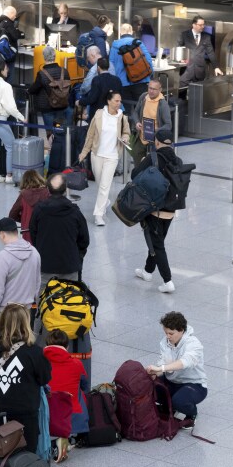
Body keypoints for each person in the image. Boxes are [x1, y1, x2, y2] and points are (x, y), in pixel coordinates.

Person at [0, 304, 51, 446]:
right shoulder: (34, 352)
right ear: (25, 324)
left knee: (2, 448)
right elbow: (45, 378)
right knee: (27, 454)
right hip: (26, 411)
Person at [134, 128, 186, 292]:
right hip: (171, 209)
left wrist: (143, 162)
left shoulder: (152, 158)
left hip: (154, 208)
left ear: (157, 142)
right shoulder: (178, 160)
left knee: (157, 245)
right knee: (158, 241)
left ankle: (167, 281)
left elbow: (134, 174)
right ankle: (148, 271)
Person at [79, 90, 130, 227]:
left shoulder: (122, 117)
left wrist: (125, 138)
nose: (119, 103)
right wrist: (84, 152)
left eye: (120, 101)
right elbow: (90, 134)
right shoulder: (99, 114)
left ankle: (98, 215)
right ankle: (105, 201)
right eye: (116, 101)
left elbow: (126, 133)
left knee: (104, 185)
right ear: (109, 101)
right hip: (97, 154)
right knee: (99, 183)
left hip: (112, 156)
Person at [146, 311, 205, 429]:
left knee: (179, 400)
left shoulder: (193, 344)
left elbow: (184, 363)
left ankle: (191, 414)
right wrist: (155, 372)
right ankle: (170, 407)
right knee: (148, 387)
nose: (167, 336)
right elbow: (163, 361)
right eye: (166, 332)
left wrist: (161, 368)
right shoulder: (165, 342)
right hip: (172, 381)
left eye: (171, 333)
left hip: (194, 385)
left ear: (182, 330)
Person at [29, 174, 89, 281]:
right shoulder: (74, 212)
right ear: (65, 189)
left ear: (48, 189)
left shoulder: (39, 210)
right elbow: (84, 240)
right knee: (70, 296)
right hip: (70, 266)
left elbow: (33, 234)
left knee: (45, 296)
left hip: (45, 266)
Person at [0, 218, 41, 325]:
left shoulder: (3, 257)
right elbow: (37, 283)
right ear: (16, 232)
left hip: (6, 312)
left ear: (2, 234)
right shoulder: (34, 252)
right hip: (27, 310)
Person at [42, 328, 85, 459]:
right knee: (80, 389)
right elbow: (85, 385)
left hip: (46, 409)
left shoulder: (40, 363)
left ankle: (50, 440)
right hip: (68, 411)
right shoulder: (77, 363)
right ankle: (71, 434)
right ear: (67, 346)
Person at [30, 46, 72, 130]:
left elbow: (34, 89)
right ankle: (61, 142)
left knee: (50, 133)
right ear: (55, 56)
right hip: (62, 105)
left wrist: (28, 90)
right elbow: (68, 87)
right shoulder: (64, 71)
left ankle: (51, 142)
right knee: (60, 130)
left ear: (44, 57)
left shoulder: (41, 74)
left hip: (47, 108)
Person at [108, 23, 150, 103]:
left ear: (120, 33)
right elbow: (148, 60)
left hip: (122, 83)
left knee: (126, 109)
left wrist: (113, 83)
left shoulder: (114, 46)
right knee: (141, 108)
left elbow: (111, 66)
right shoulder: (138, 43)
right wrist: (148, 77)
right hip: (140, 81)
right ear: (131, 32)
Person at [7, 170, 49, 243]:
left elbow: (12, 215)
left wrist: (23, 219)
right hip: (45, 231)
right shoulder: (47, 193)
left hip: (28, 232)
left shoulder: (23, 195)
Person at [179, 16, 222, 87]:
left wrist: (216, 67)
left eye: (203, 25)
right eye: (200, 25)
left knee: (198, 93)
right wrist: (180, 59)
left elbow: (210, 52)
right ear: (194, 25)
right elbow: (179, 47)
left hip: (200, 70)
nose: (202, 27)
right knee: (182, 90)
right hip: (186, 69)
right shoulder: (184, 35)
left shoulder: (206, 37)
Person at [82, 57, 122, 123]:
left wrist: (80, 102)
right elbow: (121, 95)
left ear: (98, 67)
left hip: (99, 114)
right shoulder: (117, 80)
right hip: (114, 113)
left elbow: (92, 99)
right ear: (108, 67)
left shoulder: (96, 80)